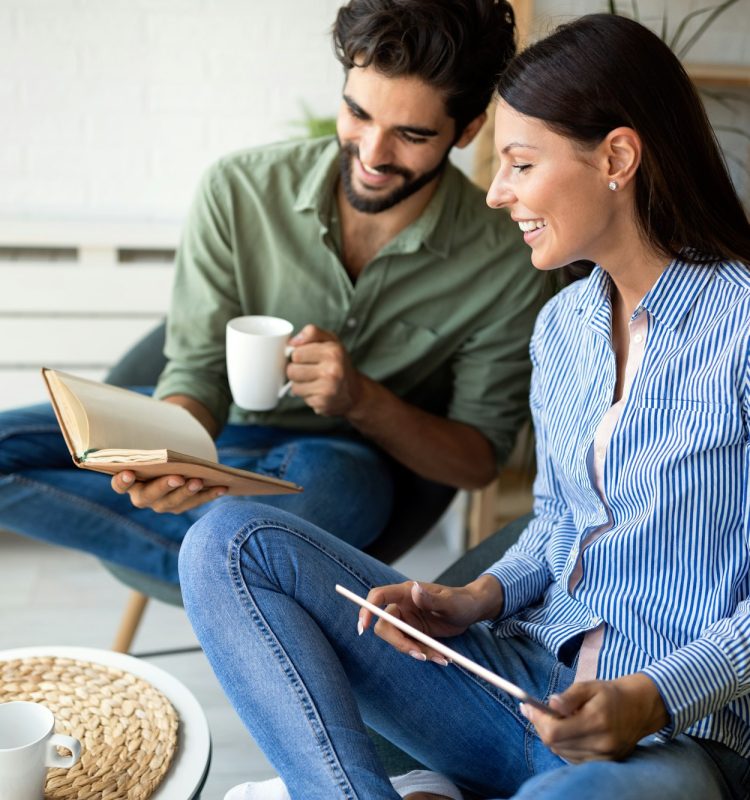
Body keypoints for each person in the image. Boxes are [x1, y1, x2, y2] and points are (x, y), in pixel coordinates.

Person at [177, 12, 750, 800]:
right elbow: (556, 524)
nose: (494, 192)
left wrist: (648, 696)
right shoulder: (563, 328)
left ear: (617, 157)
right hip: (513, 683)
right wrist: (473, 597)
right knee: (228, 544)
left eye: (519, 163)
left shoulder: (742, 325)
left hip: (670, 739)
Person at [0, 0, 539, 585]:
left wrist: (361, 399)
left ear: (466, 131)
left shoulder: (505, 262)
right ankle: (250, 561)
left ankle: (240, 548)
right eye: (358, 114)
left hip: (338, 462)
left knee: (317, 506)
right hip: (216, 430)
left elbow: (477, 461)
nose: (372, 154)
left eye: (411, 135)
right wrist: (174, 451)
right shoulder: (239, 191)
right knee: (258, 538)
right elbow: (199, 369)